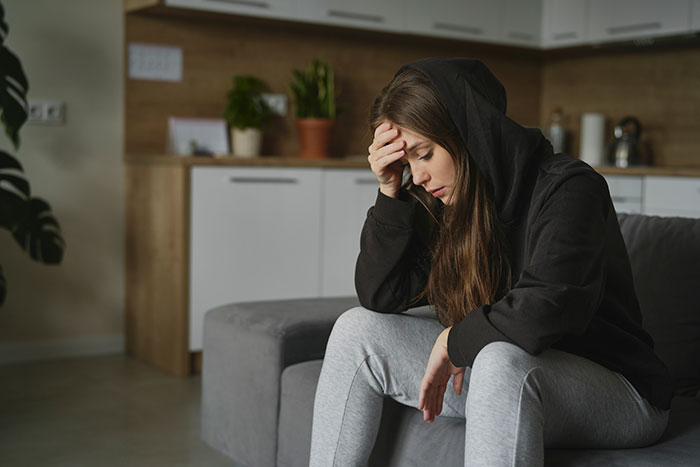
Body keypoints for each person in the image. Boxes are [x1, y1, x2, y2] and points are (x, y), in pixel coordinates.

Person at [308, 57, 673, 467]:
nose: (420, 176)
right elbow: (381, 294)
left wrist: (456, 339)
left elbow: (550, 304)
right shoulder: (448, 201)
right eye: (407, 164)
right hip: (501, 377)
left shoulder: (569, 187)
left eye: (424, 154)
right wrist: (389, 191)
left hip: (616, 388)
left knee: (499, 360)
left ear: (467, 132)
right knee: (354, 328)